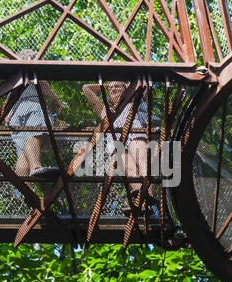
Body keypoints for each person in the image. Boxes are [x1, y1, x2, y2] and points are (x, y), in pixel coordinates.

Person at [80, 80, 153, 209]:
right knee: (129, 171)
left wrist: (126, 85)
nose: (113, 89)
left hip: (134, 134)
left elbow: (146, 86)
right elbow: (86, 88)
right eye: (111, 89)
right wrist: (109, 85)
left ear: (126, 88)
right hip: (116, 144)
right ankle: (143, 204)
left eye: (118, 86)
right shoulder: (105, 111)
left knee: (142, 162)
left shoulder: (136, 100)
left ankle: (149, 196)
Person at [9, 49, 63, 179]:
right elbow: (53, 98)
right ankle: (35, 167)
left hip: (14, 114)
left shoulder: (13, 78)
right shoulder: (35, 74)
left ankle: (24, 187)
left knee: (22, 152)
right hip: (33, 107)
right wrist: (55, 104)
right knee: (35, 136)